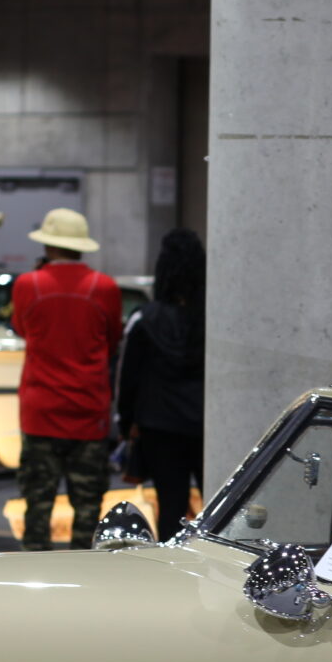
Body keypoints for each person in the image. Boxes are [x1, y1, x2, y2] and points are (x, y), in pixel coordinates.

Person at [9, 208, 123, 550]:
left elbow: (21, 329)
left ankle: (34, 574)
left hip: (40, 411)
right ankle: (83, 575)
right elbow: (112, 340)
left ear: (48, 245)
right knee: (88, 510)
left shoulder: (28, 285)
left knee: (37, 507)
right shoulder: (104, 287)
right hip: (88, 413)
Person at [116, 228, 205, 540]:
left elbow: (128, 377)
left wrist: (125, 423)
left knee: (171, 505)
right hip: (206, 425)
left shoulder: (145, 319)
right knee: (218, 506)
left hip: (159, 425)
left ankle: (172, 562)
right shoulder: (214, 318)